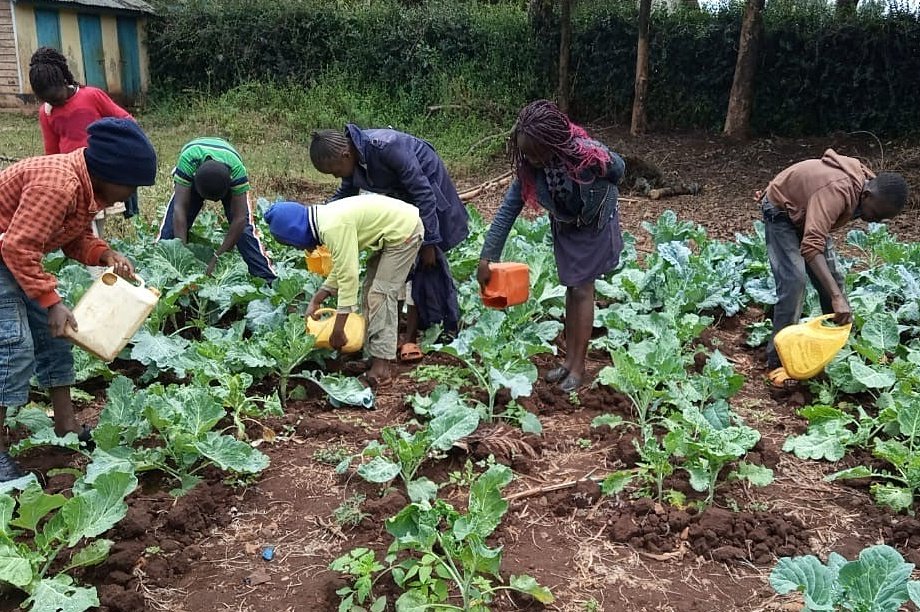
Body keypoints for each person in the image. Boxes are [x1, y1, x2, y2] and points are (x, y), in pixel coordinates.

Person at [0, 117, 157, 481]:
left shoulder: (85, 186)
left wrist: (104, 255)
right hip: (7, 253)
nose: (130, 194)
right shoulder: (58, 184)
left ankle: (66, 426)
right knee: (13, 346)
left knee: (58, 336)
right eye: (131, 185)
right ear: (109, 173)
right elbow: (19, 246)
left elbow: (70, 237)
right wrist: (51, 302)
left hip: (15, 255)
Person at [478, 100, 625, 393]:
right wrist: (487, 257)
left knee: (583, 289)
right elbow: (508, 210)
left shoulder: (585, 152)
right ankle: (569, 361)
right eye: (526, 153)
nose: (531, 158)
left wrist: (600, 174)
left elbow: (619, 169)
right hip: (567, 225)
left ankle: (578, 367)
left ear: (553, 142)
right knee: (570, 287)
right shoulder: (530, 170)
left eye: (535, 152)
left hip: (594, 222)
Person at [310, 125, 469, 362]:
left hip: (428, 187)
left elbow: (423, 192)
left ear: (345, 155)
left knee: (428, 262)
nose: (337, 177)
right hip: (401, 200)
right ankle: (400, 328)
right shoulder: (353, 160)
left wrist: (429, 241)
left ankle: (431, 329)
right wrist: (317, 219)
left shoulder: (386, 147)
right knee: (395, 268)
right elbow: (344, 193)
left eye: (335, 171)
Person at [760, 150, 908, 387]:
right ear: (867, 195)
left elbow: (814, 237)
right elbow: (811, 246)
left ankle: (833, 350)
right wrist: (837, 298)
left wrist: (836, 294)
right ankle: (779, 362)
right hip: (782, 213)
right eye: (876, 214)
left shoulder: (865, 188)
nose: (876, 221)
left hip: (809, 215)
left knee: (834, 281)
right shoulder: (837, 191)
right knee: (794, 282)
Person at [264, 195, 423, 385]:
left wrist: (338, 330)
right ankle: (374, 356)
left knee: (381, 295)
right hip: (391, 234)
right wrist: (318, 298)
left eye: (294, 244)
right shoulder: (324, 220)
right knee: (369, 292)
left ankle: (382, 368)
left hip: (405, 232)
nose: (302, 249)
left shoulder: (332, 227)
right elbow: (342, 266)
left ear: (296, 233)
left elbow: (348, 277)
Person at [28, 46, 139, 235]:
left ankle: (97, 256)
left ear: (64, 80)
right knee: (80, 223)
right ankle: (92, 259)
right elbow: (52, 152)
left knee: (96, 221)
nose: (55, 104)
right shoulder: (46, 113)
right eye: (47, 101)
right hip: (72, 176)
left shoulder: (91, 96)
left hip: (98, 172)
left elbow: (128, 122)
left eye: (56, 98)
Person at [156, 137, 276, 282]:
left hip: (227, 175)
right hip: (195, 170)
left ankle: (268, 279)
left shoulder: (237, 171)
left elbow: (240, 219)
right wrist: (181, 252)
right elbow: (179, 208)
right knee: (169, 234)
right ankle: (158, 276)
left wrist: (218, 257)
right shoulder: (188, 161)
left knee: (245, 232)